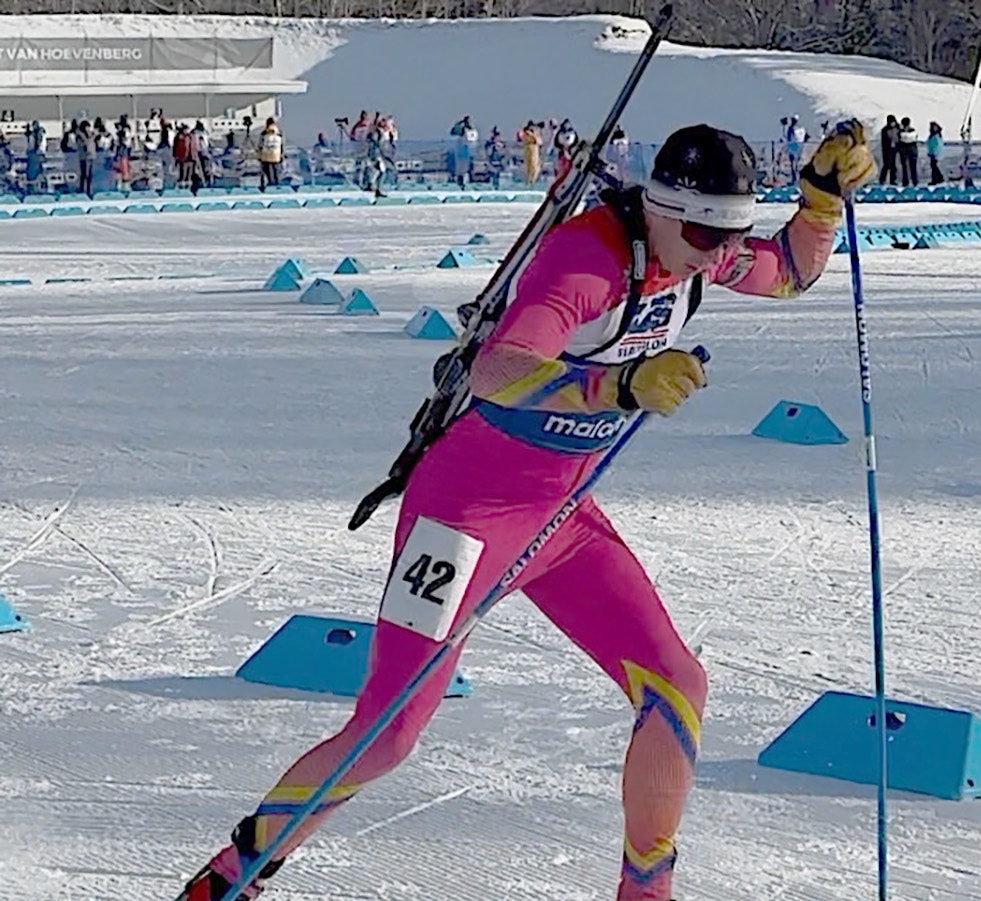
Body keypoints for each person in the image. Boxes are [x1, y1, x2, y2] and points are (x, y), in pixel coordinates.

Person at [175, 121, 877, 901]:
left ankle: (646, 891)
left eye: (730, 235)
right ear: (662, 208)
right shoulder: (586, 260)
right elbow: (499, 368)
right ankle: (230, 876)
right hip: (464, 516)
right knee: (387, 734)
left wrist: (819, 196)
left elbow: (788, 273)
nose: (720, 254)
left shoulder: (699, 250)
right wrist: (617, 387)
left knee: (676, 684)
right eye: (707, 234)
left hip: (560, 519)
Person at [258, 118, 284, 190]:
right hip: (275, 155)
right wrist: (281, 154)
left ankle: (271, 184)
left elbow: (260, 145)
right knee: (275, 171)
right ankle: (276, 184)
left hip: (266, 155)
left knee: (269, 171)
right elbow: (282, 144)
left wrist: (259, 155)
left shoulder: (264, 133)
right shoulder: (279, 133)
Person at [896, 116, 919, 186]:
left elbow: (901, 140)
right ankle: (913, 180)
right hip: (912, 151)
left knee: (907, 167)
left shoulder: (900, 132)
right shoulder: (913, 131)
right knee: (911, 167)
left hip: (905, 151)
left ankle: (907, 181)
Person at [878, 114, 899, 184]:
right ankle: (882, 179)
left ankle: (893, 180)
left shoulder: (898, 128)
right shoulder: (885, 130)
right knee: (886, 164)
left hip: (894, 149)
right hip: (887, 150)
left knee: (893, 165)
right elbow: (884, 141)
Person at [926, 121, 945, 185]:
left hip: (935, 154)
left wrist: (935, 153)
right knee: (934, 166)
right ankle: (939, 178)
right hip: (932, 153)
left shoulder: (936, 136)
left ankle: (936, 179)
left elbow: (937, 146)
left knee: (934, 167)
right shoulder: (932, 136)